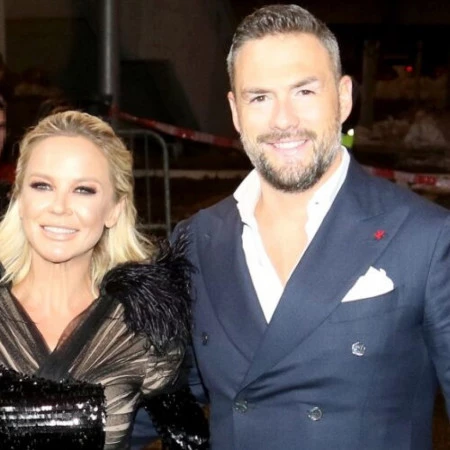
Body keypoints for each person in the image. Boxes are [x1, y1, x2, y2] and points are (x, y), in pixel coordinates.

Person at [170, 4, 450, 449]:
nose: (284, 120)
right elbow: (170, 393)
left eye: (303, 91)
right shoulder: (196, 240)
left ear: (343, 97)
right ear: (236, 112)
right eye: (260, 97)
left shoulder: (427, 237)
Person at [0, 110, 209, 449]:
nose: (59, 207)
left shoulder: (141, 329)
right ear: (19, 198)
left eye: (84, 190)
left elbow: (189, 439)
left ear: (114, 209)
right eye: (42, 186)